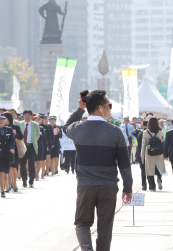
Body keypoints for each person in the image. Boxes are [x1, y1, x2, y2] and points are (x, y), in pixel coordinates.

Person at [64, 90, 132, 251]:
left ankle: (87, 249)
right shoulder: (115, 131)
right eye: (109, 105)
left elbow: (65, 126)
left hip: (86, 185)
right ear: (100, 107)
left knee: (82, 223)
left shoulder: (77, 128)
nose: (110, 108)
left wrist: (81, 108)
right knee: (105, 226)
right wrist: (127, 188)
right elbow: (124, 163)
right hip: (108, 186)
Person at [0, 113, 15, 198]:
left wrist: (12, 148)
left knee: (6, 173)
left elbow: (12, 140)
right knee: (0, 172)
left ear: (5, 120)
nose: (1, 121)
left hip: (7, 154)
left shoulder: (9, 130)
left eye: (2, 119)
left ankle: (4, 187)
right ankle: (2, 190)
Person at [141, 117, 165, 191]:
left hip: (149, 153)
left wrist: (142, 155)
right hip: (159, 152)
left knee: (150, 169)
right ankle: (159, 178)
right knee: (159, 167)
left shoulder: (145, 132)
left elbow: (143, 145)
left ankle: (152, 186)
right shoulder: (160, 131)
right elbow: (162, 140)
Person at [20, 110, 40, 188]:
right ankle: (24, 180)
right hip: (22, 146)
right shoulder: (20, 124)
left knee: (31, 164)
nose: (27, 117)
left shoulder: (35, 125)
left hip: (31, 146)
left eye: (29, 115)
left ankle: (31, 181)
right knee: (22, 164)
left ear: (32, 116)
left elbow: (37, 135)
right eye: (25, 115)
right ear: (23, 116)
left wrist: (33, 141)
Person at [4, 112, 23, 192]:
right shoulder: (1, 128)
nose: (3, 120)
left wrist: (16, 134)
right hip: (4, 150)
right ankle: (7, 184)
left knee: (13, 168)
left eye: (4, 118)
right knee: (6, 168)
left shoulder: (15, 127)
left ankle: (14, 183)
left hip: (13, 149)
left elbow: (21, 137)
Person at [135, 120, 148, 190]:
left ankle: (144, 185)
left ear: (142, 125)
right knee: (149, 169)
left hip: (141, 153)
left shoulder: (141, 133)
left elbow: (139, 144)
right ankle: (151, 184)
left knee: (143, 169)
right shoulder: (150, 132)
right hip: (149, 153)